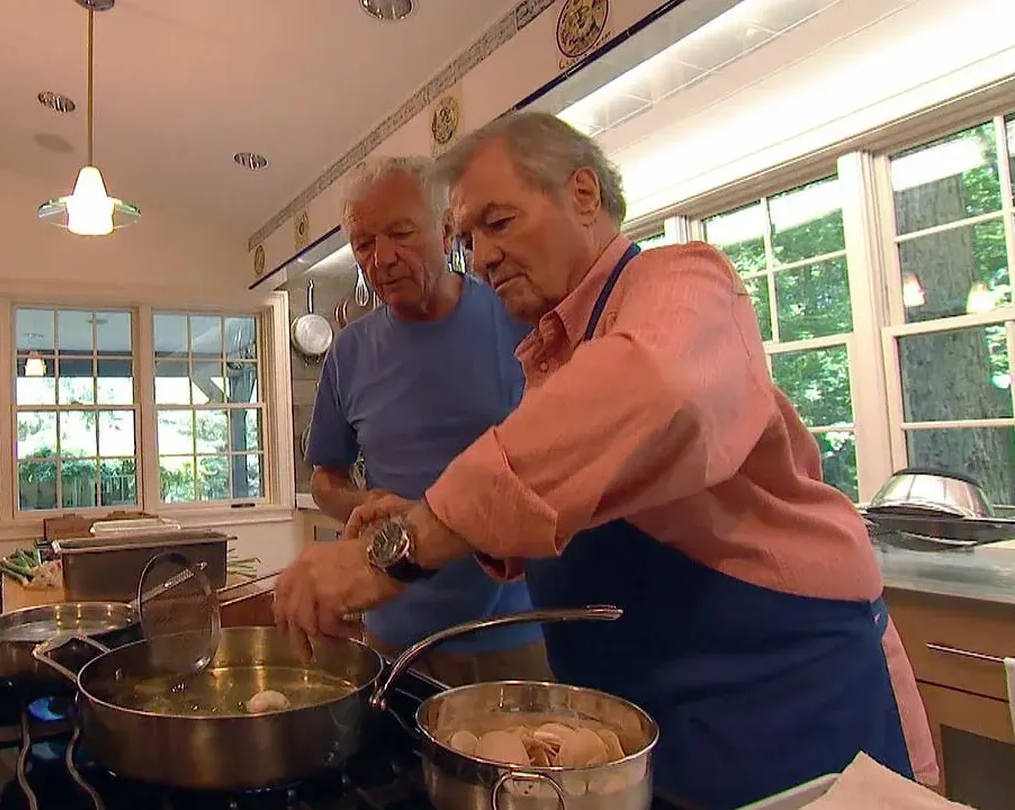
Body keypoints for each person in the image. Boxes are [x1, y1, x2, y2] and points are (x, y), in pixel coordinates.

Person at [273, 111, 938, 808]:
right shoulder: (550, 348)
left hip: (781, 698)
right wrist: (414, 516)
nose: (484, 255)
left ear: (584, 195)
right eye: (470, 238)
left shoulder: (682, 281)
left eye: (498, 223)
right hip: (648, 714)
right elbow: (562, 505)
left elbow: (652, 390)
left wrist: (400, 547)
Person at [306, 156, 549, 685]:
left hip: (510, 630)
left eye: (400, 234)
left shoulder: (517, 320)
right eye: (364, 245)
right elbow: (325, 479)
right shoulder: (348, 353)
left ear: (445, 232)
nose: (382, 259)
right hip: (391, 635)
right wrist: (363, 503)